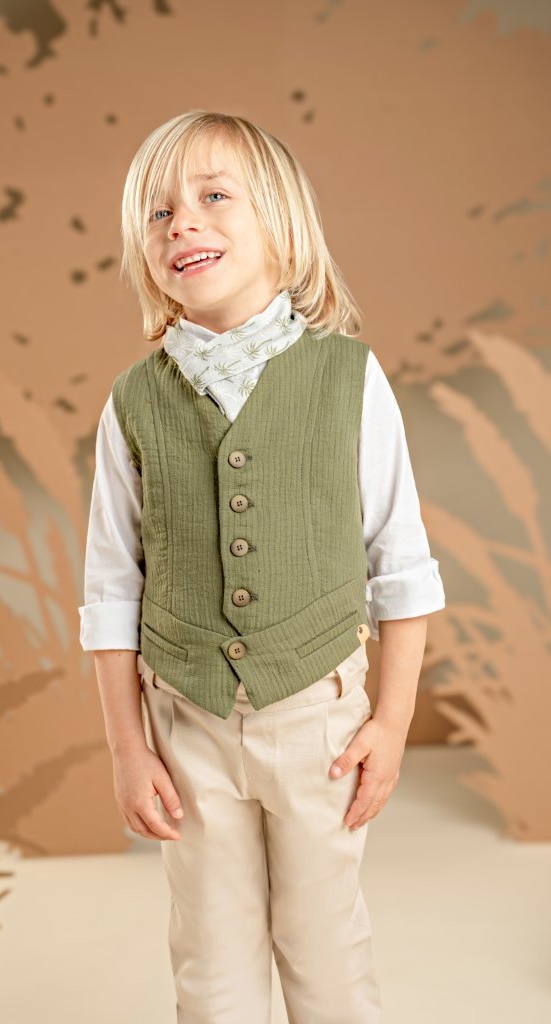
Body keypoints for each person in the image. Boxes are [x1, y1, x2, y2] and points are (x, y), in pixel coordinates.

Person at [79, 109, 446, 1023]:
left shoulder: (349, 377)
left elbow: (400, 563)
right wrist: (128, 748)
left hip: (319, 718)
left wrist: (391, 721)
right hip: (186, 723)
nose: (182, 224)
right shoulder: (132, 402)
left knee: (325, 952)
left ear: (280, 224)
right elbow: (111, 588)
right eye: (158, 212)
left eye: (212, 197)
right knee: (210, 958)